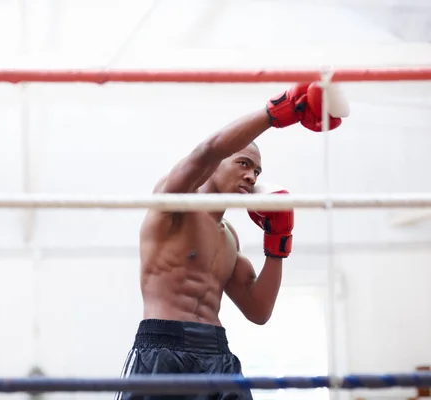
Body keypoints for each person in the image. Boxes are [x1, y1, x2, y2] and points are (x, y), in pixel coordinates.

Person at [116, 82, 345, 400]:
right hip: (164, 347)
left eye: (257, 171)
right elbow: (206, 152)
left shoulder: (229, 238)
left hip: (217, 352)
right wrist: (273, 114)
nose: (252, 176)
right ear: (216, 166)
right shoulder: (174, 203)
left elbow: (259, 310)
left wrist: (277, 243)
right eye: (243, 163)